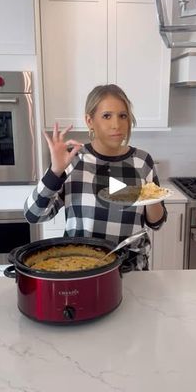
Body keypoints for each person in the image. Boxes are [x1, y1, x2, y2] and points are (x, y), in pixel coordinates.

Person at [24, 84, 167, 271]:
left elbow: (156, 223)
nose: (116, 124)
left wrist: (151, 196)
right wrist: (56, 171)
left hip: (131, 269)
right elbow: (33, 215)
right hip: (81, 269)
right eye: (107, 116)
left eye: (123, 115)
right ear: (89, 120)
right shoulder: (73, 160)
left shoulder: (142, 161)